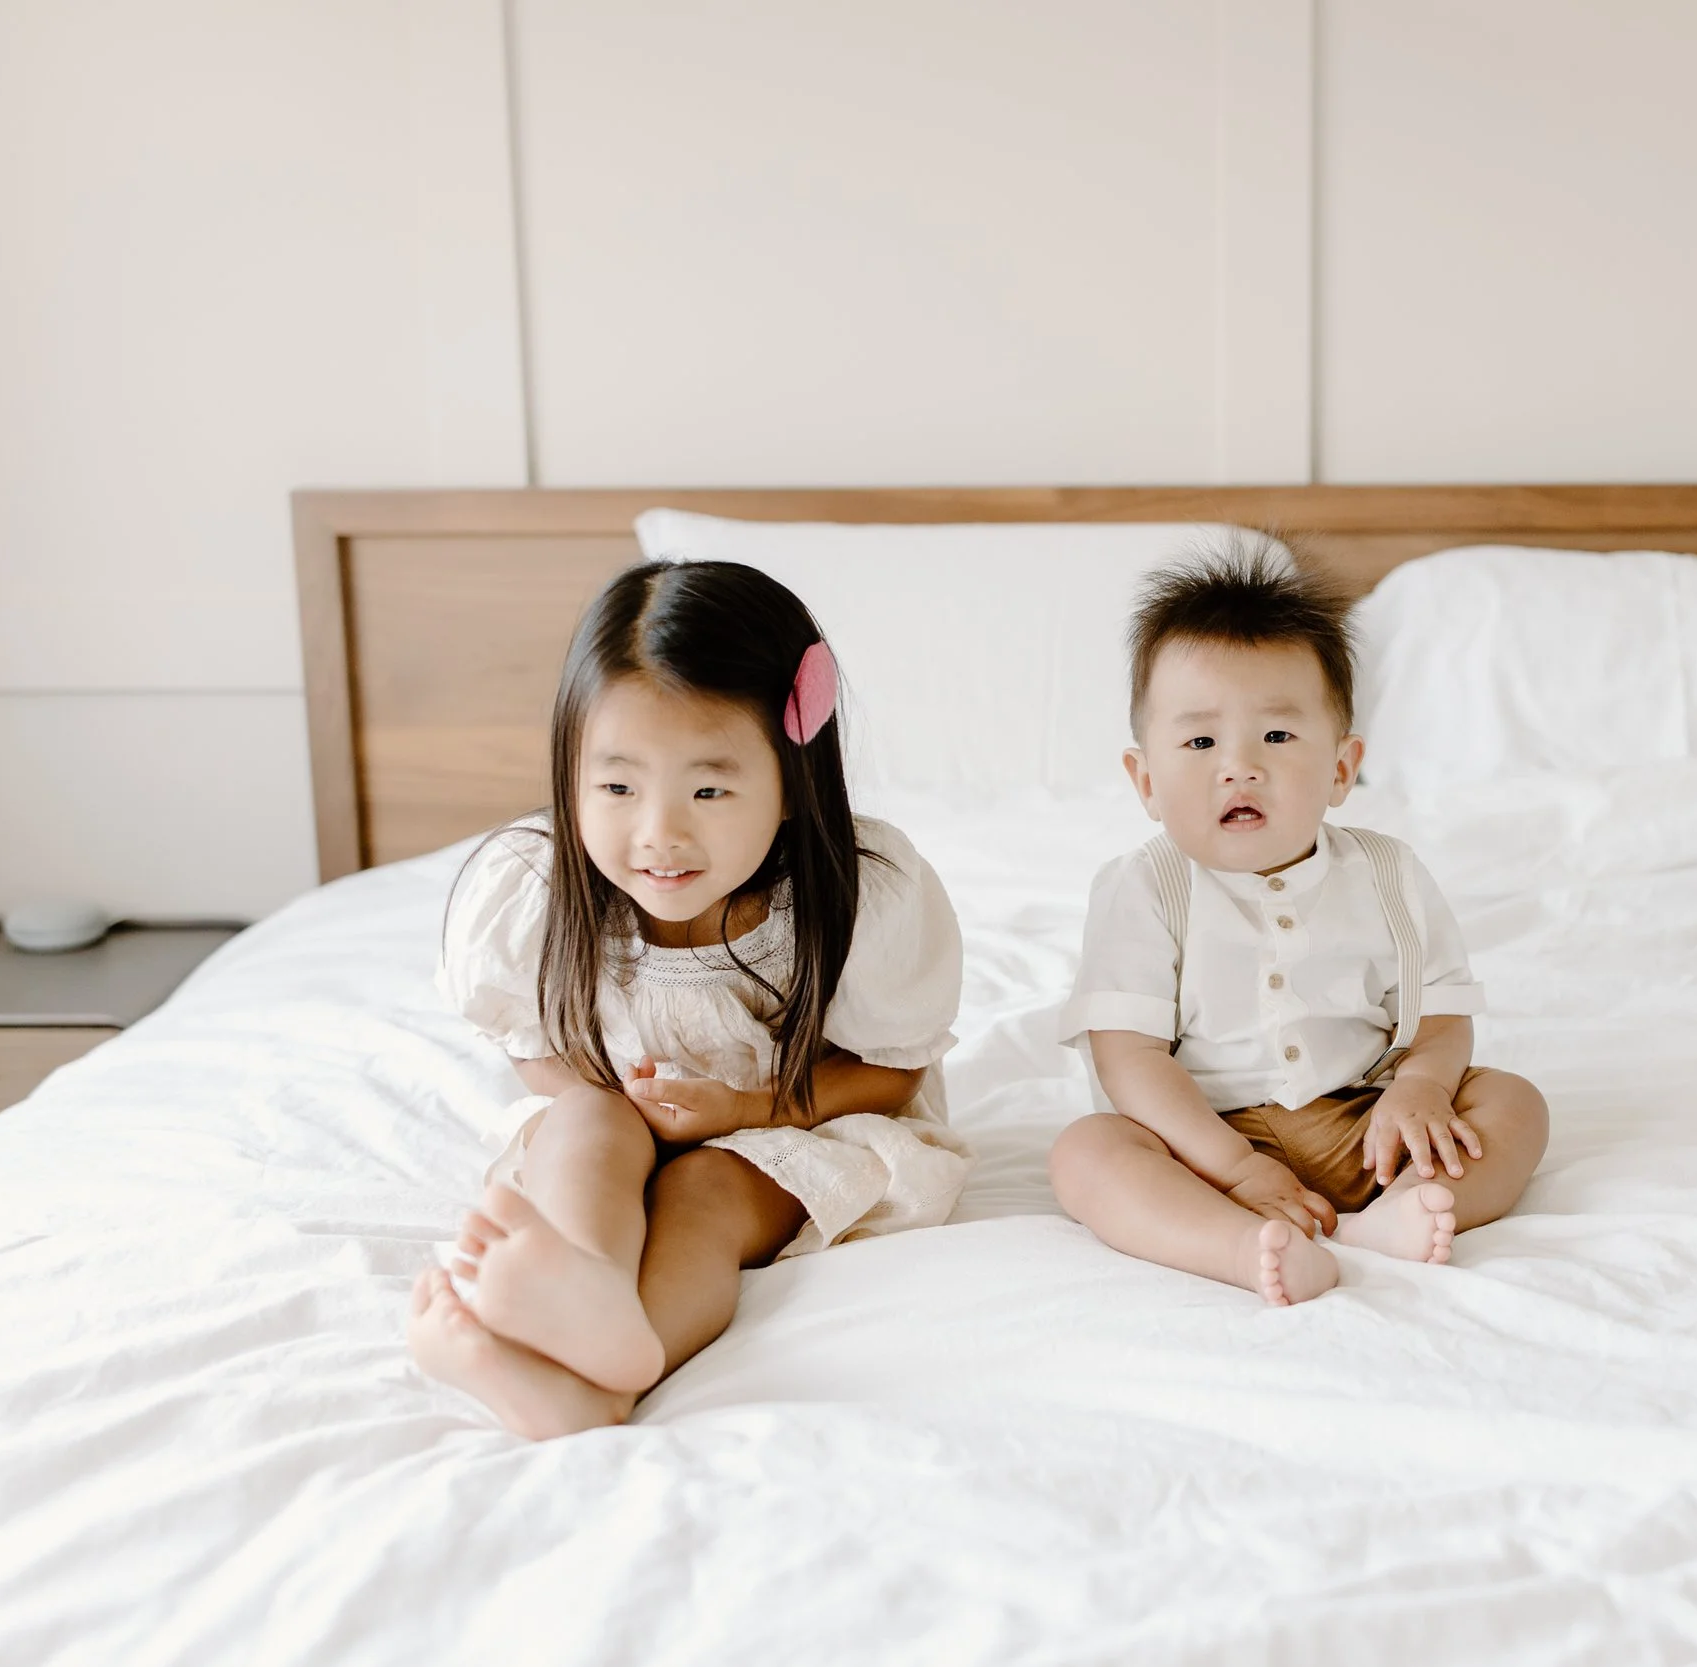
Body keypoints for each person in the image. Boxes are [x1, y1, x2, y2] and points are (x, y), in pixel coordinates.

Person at [407, 560, 967, 1437]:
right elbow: (530, 1042)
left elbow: (891, 1074)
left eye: (709, 789)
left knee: (704, 1189)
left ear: (792, 778)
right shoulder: (534, 885)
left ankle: (616, 1373)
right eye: (618, 787)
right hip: (628, 1111)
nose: (658, 833)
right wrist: (617, 1107)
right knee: (587, 1124)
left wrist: (741, 1108)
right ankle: (585, 1288)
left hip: (789, 1123)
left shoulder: (858, 889)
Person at [1048, 542, 1549, 1305]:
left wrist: (1419, 1087)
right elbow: (1130, 1057)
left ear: (1343, 768)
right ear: (1146, 779)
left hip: (1366, 1123)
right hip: (1200, 1144)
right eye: (1200, 741)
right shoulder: (1144, 887)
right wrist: (1235, 1166)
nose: (1238, 766)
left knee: (1513, 1103)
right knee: (1087, 1153)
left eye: (1277, 736)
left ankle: (1399, 1210)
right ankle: (1237, 1244)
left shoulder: (1389, 876)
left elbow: (1440, 1012)